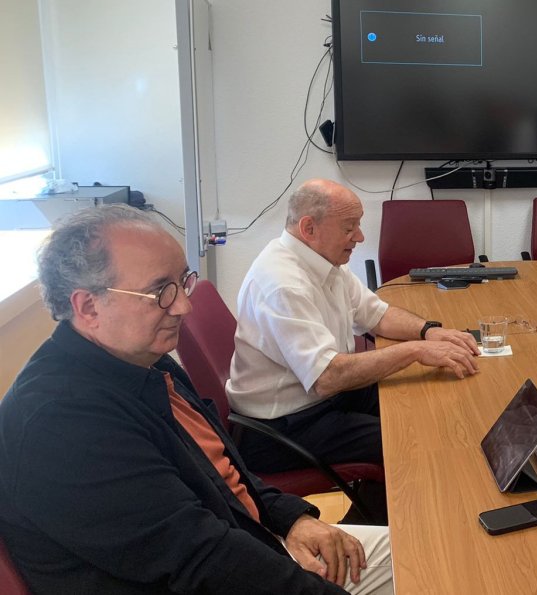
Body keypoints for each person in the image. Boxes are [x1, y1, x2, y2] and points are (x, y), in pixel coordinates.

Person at [0, 205, 393, 593]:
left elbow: (223, 475)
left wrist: (293, 520)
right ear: (88, 306)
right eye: (160, 292)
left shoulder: (147, 363)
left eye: (183, 282)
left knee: (423, 549)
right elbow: (200, 560)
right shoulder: (63, 424)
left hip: (248, 546)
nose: (184, 306)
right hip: (215, 572)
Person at [227, 179, 479, 473]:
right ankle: (396, 514)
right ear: (309, 228)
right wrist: (414, 351)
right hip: (283, 427)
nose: (359, 237)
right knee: (415, 438)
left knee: (428, 401)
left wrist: (429, 331)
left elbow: (377, 315)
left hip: (320, 397)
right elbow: (327, 378)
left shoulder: (322, 260)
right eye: (349, 228)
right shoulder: (283, 284)